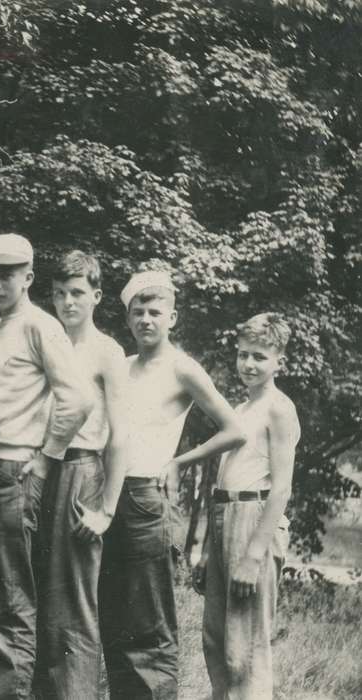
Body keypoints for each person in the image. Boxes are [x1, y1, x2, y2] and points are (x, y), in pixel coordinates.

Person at [0, 233, 93, 700]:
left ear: (28, 277)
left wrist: (45, 459)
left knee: (8, 603)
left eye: (8, 275)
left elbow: (78, 399)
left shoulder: (40, 325)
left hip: (11, 471)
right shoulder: (0, 328)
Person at [98, 269, 245, 700]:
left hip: (148, 499)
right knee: (115, 615)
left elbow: (234, 429)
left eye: (155, 312)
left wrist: (180, 460)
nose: (146, 319)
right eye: (138, 312)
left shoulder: (183, 368)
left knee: (149, 621)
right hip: (111, 497)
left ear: (172, 318)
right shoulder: (121, 367)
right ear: (127, 320)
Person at [35, 250, 130, 698]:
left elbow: (121, 435)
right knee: (36, 594)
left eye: (77, 293)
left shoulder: (107, 351)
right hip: (40, 469)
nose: (67, 302)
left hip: (81, 472)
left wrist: (106, 509)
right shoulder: (45, 340)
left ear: (95, 296)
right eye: (58, 294)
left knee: (74, 601)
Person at [196, 313, 300, 700]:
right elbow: (223, 483)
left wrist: (254, 555)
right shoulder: (238, 412)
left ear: (279, 362)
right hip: (225, 516)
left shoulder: (279, 408)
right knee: (217, 641)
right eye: (243, 355)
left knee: (246, 648)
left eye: (259, 356)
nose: (249, 364)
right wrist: (208, 549)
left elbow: (282, 488)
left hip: (254, 521)